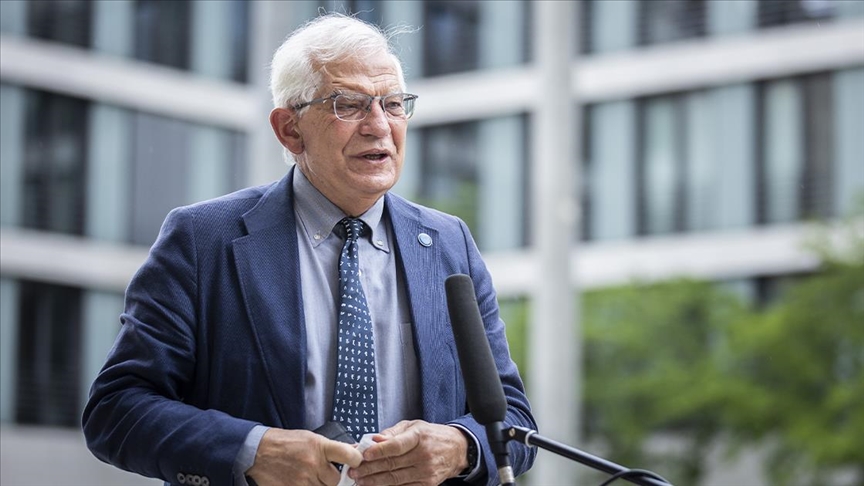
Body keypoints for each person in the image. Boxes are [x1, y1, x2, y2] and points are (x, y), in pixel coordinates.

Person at [82, 13, 536, 486]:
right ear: (290, 129)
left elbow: (513, 418)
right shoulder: (202, 239)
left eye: (393, 104)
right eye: (349, 105)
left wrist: (460, 447)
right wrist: (253, 450)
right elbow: (116, 409)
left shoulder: (448, 243)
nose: (379, 126)